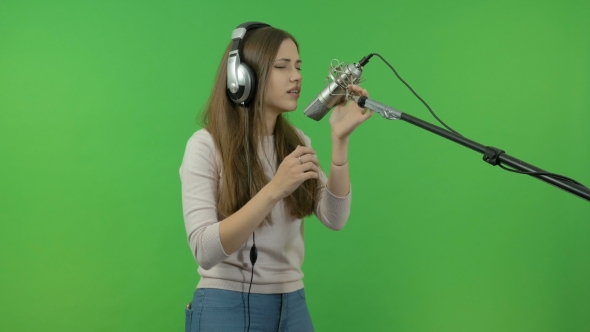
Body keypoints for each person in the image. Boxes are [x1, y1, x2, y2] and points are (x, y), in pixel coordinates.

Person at [180, 22, 372, 332]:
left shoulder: (297, 142)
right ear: (242, 79)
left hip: (292, 305)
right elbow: (205, 250)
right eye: (282, 66)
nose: (296, 76)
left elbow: (334, 218)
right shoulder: (204, 146)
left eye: (298, 66)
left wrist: (340, 141)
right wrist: (275, 188)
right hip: (225, 306)